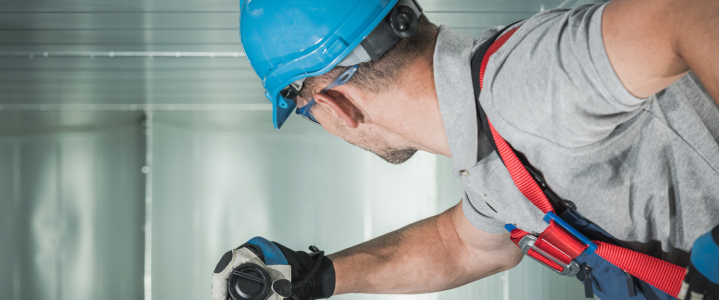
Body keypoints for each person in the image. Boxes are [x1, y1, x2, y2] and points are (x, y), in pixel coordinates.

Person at [213, 0, 719, 299]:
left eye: (306, 111)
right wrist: (317, 276)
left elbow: (686, 13)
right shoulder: (491, 154)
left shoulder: (522, 83)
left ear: (336, 104)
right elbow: (461, 246)